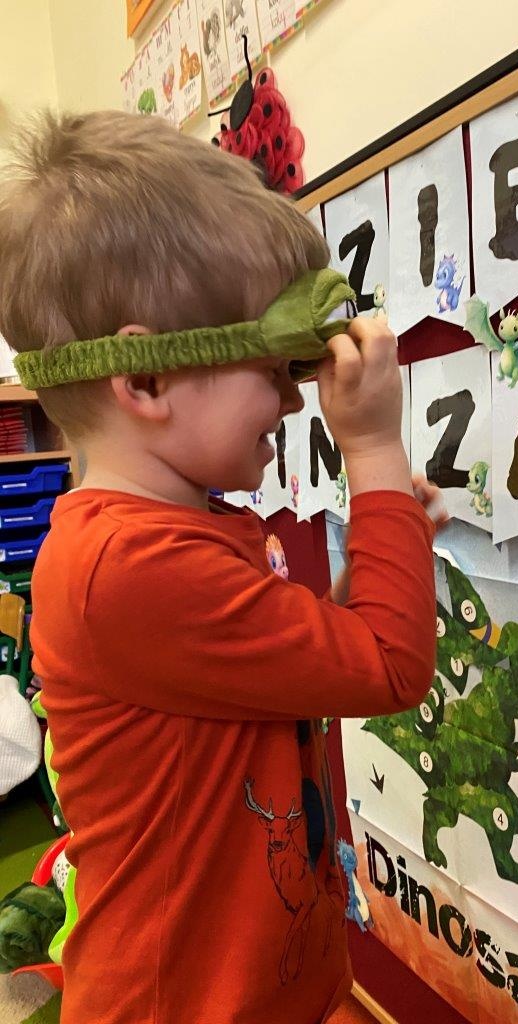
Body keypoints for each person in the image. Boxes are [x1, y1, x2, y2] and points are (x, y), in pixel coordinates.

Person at [0, 111, 444, 1024]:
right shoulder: (132, 568)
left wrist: (381, 551)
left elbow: (305, 665)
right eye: (272, 368)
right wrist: (372, 450)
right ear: (147, 381)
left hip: (264, 982)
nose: (292, 398)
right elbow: (390, 667)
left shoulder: (189, 530)